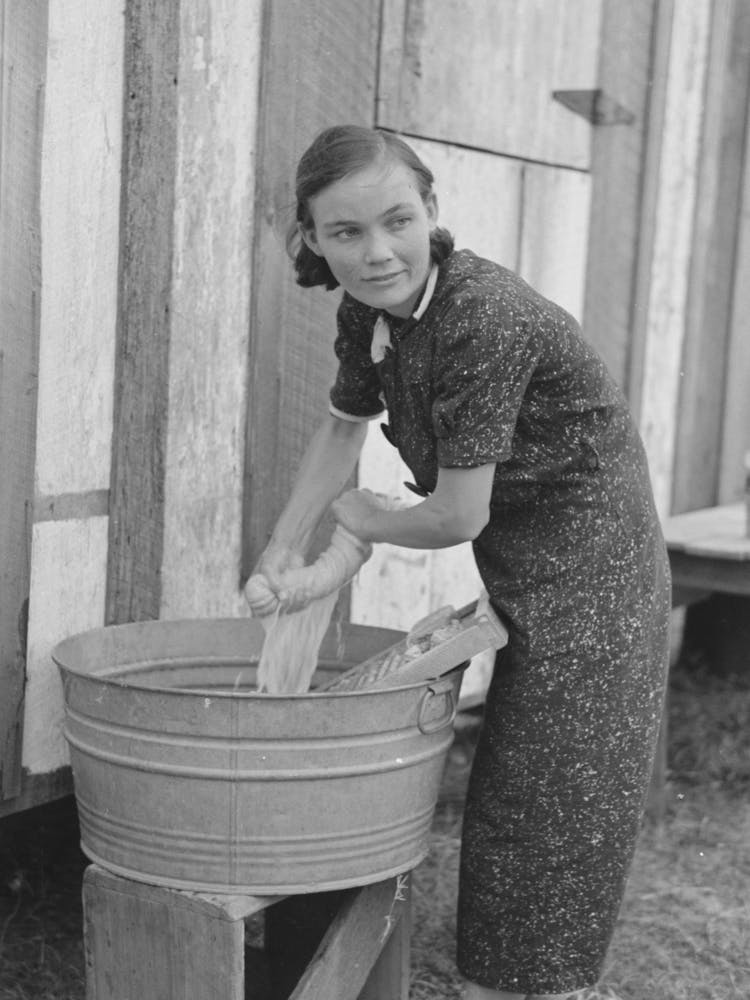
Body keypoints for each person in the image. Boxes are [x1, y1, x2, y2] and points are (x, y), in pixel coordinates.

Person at [246, 124, 671, 1000]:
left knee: (552, 799)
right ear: (313, 238)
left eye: (396, 221)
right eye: (345, 233)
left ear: (432, 211)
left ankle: (540, 987)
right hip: (527, 562)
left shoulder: (482, 318)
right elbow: (341, 427)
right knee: (516, 790)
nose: (375, 252)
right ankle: (512, 981)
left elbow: (451, 514)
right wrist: (283, 551)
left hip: (599, 575)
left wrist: (361, 520)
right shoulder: (371, 308)